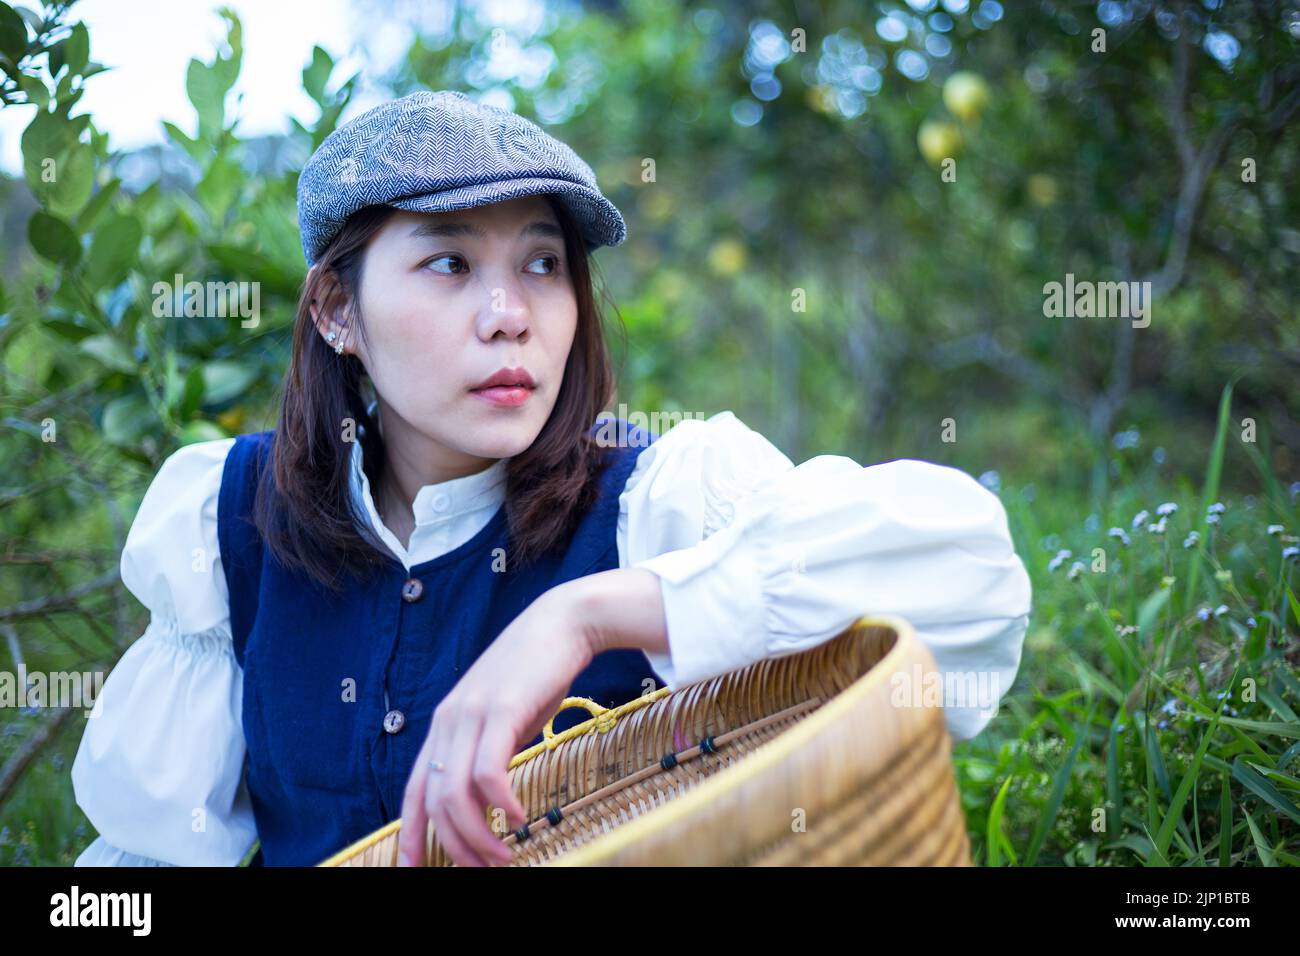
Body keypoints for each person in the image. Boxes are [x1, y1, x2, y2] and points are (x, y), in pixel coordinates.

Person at [70, 90, 1032, 868]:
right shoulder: (233, 520)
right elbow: (147, 858)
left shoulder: (656, 500)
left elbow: (970, 583)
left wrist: (586, 616)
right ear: (336, 311)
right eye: (449, 262)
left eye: (542, 262)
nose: (509, 313)